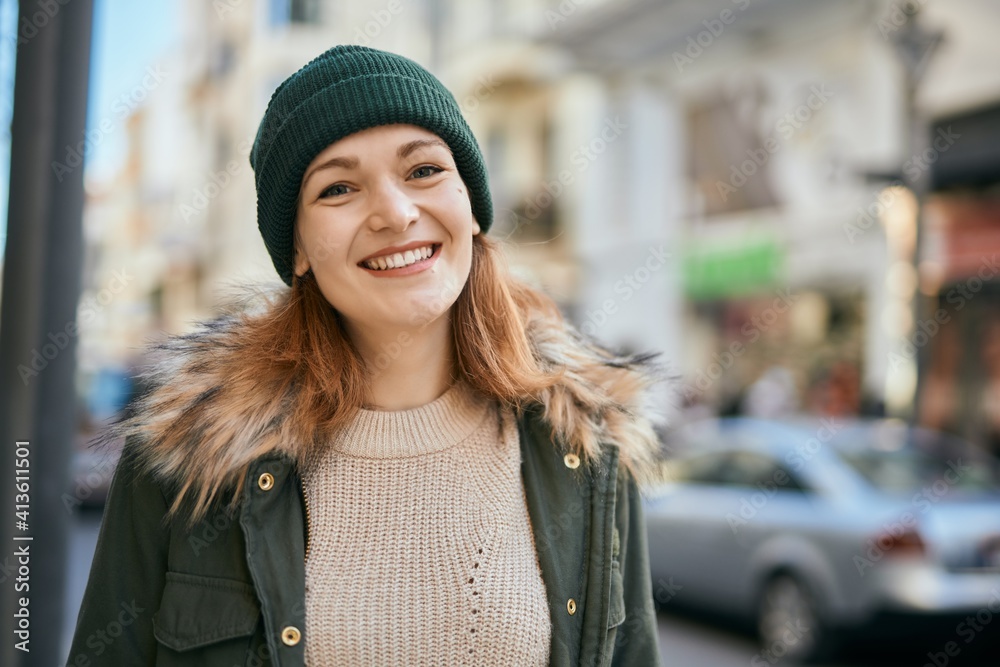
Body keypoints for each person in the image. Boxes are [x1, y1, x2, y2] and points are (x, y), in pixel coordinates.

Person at [69, 45, 665, 666]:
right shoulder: (186, 458)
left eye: (424, 171)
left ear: (470, 204)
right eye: (339, 187)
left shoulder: (584, 446)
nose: (396, 213)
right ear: (296, 249)